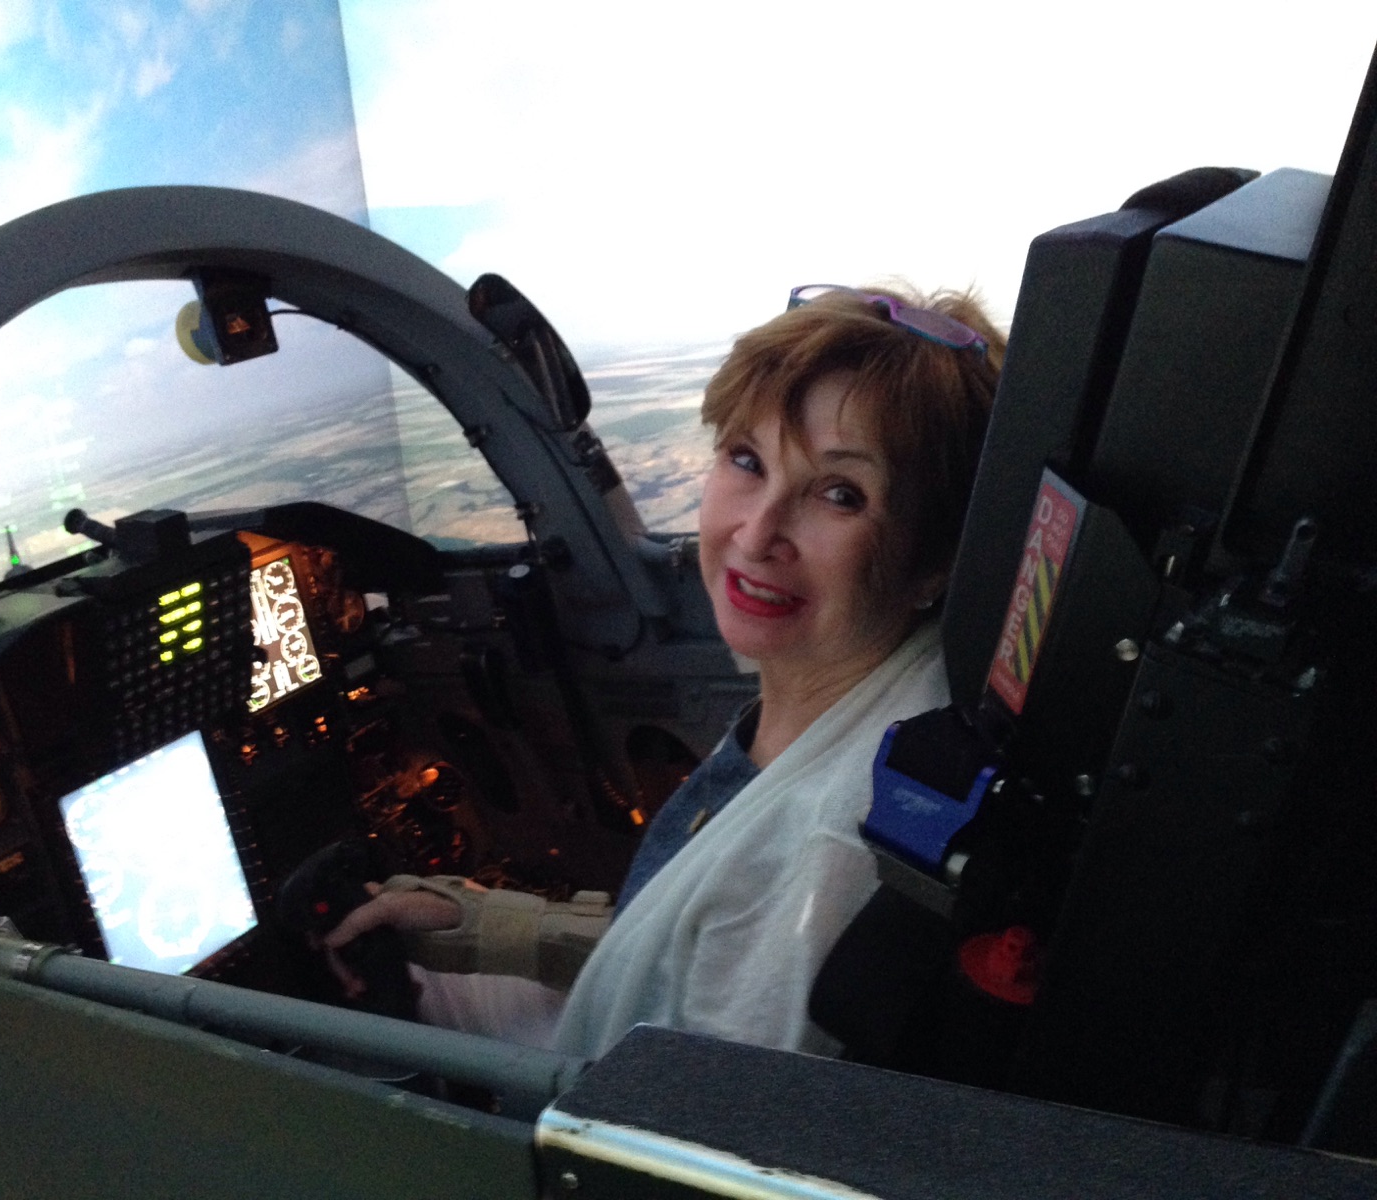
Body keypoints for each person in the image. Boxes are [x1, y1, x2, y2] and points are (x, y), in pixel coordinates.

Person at [322, 284, 1006, 1059]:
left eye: (840, 495)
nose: (756, 533)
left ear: (936, 559)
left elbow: (696, 1111)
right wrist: (481, 925)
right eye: (747, 460)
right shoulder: (841, 708)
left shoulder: (828, 842)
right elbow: (690, 948)